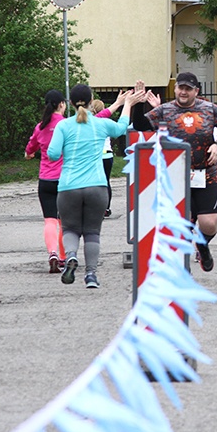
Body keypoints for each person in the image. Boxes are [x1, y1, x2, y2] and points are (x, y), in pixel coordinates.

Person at [48, 84, 143, 288]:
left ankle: (71, 257)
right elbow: (121, 128)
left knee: (70, 228)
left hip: (69, 187)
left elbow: (53, 154)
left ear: (70, 103)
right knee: (92, 232)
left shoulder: (63, 126)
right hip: (97, 187)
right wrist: (127, 104)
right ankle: (91, 275)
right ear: (91, 101)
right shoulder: (100, 125)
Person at [145, 72, 217, 272]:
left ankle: (202, 245)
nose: (184, 92)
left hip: (206, 172)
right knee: (183, 221)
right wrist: (135, 104)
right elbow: (140, 125)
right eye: (181, 88)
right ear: (175, 89)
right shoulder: (165, 110)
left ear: (196, 91)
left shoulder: (209, 109)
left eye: (188, 89)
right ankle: (181, 266)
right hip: (176, 174)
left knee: (209, 224)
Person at [24, 89, 67, 273]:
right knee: (65, 221)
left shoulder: (40, 126)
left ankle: (52, 253)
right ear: (62, 105)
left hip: (46, 180)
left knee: (50, 220)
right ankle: (64, 258)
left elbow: (29, 149)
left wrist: (29, 154)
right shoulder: (66, 125)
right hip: (65, 180)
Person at [90, 99, 115, 217]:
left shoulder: (90, 123)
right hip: (108, 155)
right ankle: (106, 207)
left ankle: (94, 206)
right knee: (106, 182)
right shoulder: (106, 122)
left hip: (95, 155)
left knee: (94, 182)